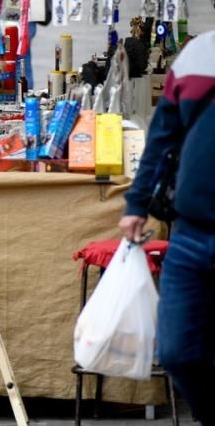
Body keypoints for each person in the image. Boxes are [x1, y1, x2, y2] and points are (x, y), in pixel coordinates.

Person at [120, 30, 215, 425]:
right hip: (190, 233)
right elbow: (161, 138)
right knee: (177, 351)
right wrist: (136, 203)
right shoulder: (197, 54)